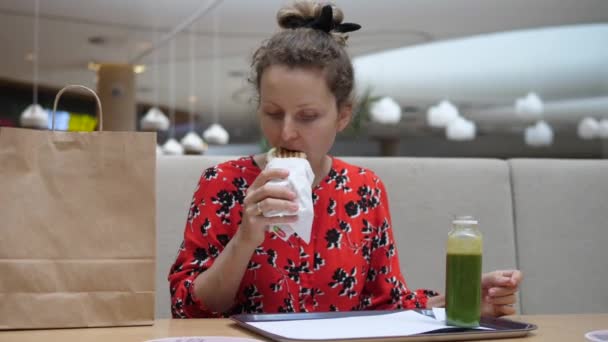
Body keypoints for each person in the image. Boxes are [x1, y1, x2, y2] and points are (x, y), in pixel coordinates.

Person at [168, 0, 522, 318]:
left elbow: (386, 301)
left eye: (307, 116)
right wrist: (246, 238)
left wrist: (462, 302)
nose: (287, 132)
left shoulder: (364, 189)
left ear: (342, 116)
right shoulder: (223, 182)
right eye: (273, 113)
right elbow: (187, 308)